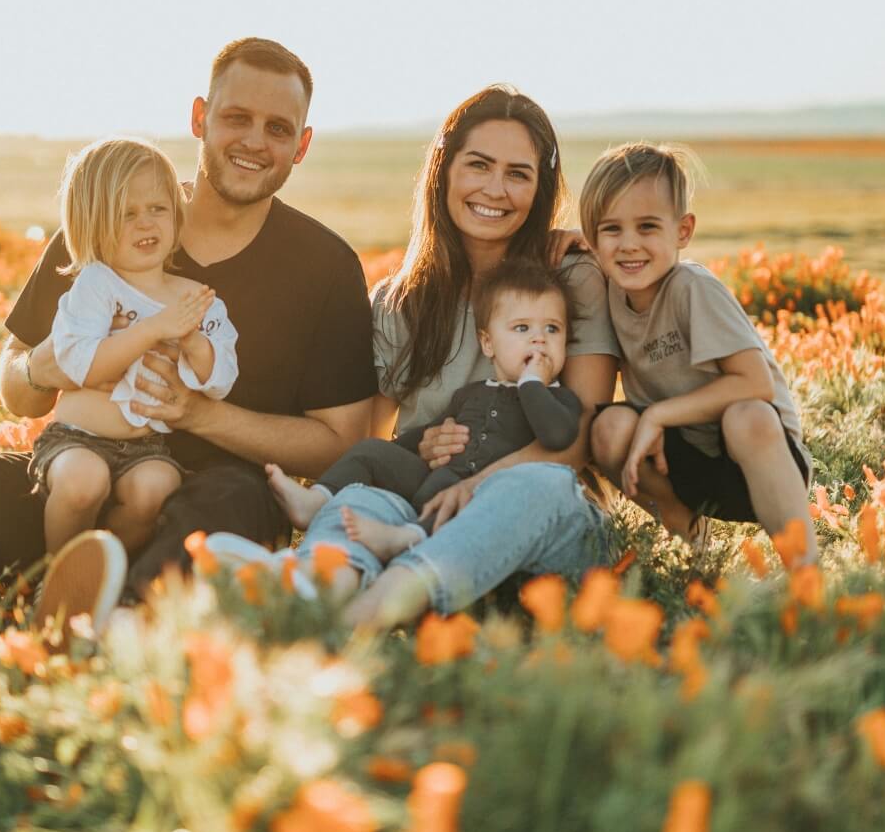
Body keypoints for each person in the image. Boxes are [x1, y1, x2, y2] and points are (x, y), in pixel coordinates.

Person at [0, 38, 377, 621]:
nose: (255, 141)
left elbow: (343, 442)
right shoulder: (112, 221)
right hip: (75, 490)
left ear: (301, 146)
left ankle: (120, 618)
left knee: (234, 495)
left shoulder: (323, 266)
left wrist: (200, 415)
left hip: (204, 505)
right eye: (237, 118)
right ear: (200, 118)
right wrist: (39, 368)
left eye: (278, 128)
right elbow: (17, 385)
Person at [209, 85, 621, 627]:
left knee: (531, 485)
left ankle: (368, 614)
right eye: (478, 165)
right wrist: (419, 447)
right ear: (444, 170)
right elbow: (366, 440)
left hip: (546, 521)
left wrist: (477, 483)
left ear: (539, 188)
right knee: (364, 497)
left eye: (518, 174)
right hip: (425, 511)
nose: (495, 189)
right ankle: (314, 588)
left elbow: (579, 443)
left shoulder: (569, 279)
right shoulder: (400, 301)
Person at [578, 142, 818, 565]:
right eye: (612, 229)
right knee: (608, 427)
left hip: (759, 462)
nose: (629, 244)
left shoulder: (693, 289)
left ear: (683, 231)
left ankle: (804, 572)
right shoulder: (610, 289)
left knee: (748, 415)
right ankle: (691, 538)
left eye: (648, 227)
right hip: (685, 464)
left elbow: (755, 383)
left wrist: (658, 414)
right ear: (594, 238)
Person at [266, 259, 582, 562]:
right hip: (432, 479)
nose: (539, 339)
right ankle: (317, 500)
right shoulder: (471, 393)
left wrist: (531, 384)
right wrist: (409, 448)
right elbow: (425, 434)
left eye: (553, 329)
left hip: (483, 496)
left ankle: (407, 537)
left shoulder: (560, 401)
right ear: (488, 343)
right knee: (371, 451)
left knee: (455, 499)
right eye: (522, 328)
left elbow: (557, 435)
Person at [31, 137, 238, 558]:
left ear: (177, 216)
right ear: (92, 224)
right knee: (83, 482)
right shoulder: (95, 285)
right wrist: (155, 328)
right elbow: (82, 367)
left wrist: (192, 342)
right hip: (76, 438)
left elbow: (220, 380)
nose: (146, 223)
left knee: (156, 488)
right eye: (126, 214)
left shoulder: (196, 297)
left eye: (157, 209)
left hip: (146, 447)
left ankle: (102, 572)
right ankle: (54, 575)